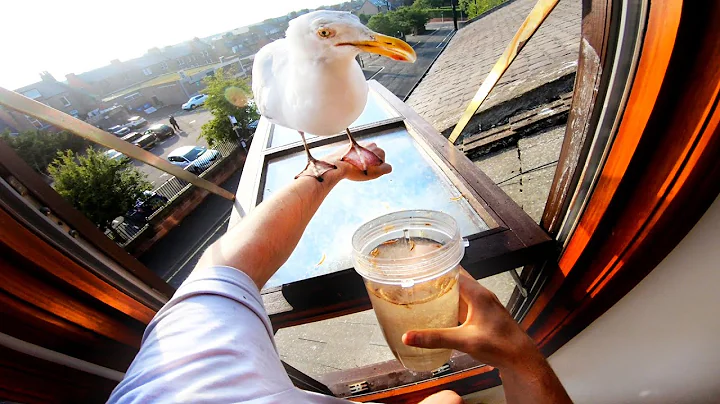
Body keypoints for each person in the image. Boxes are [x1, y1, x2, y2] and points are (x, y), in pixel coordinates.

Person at [108, 144, 572, 404]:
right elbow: (227, 263)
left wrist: (331, 166)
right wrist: (522, 359)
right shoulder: (175, 385)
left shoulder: (174, 379)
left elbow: (225, 266)